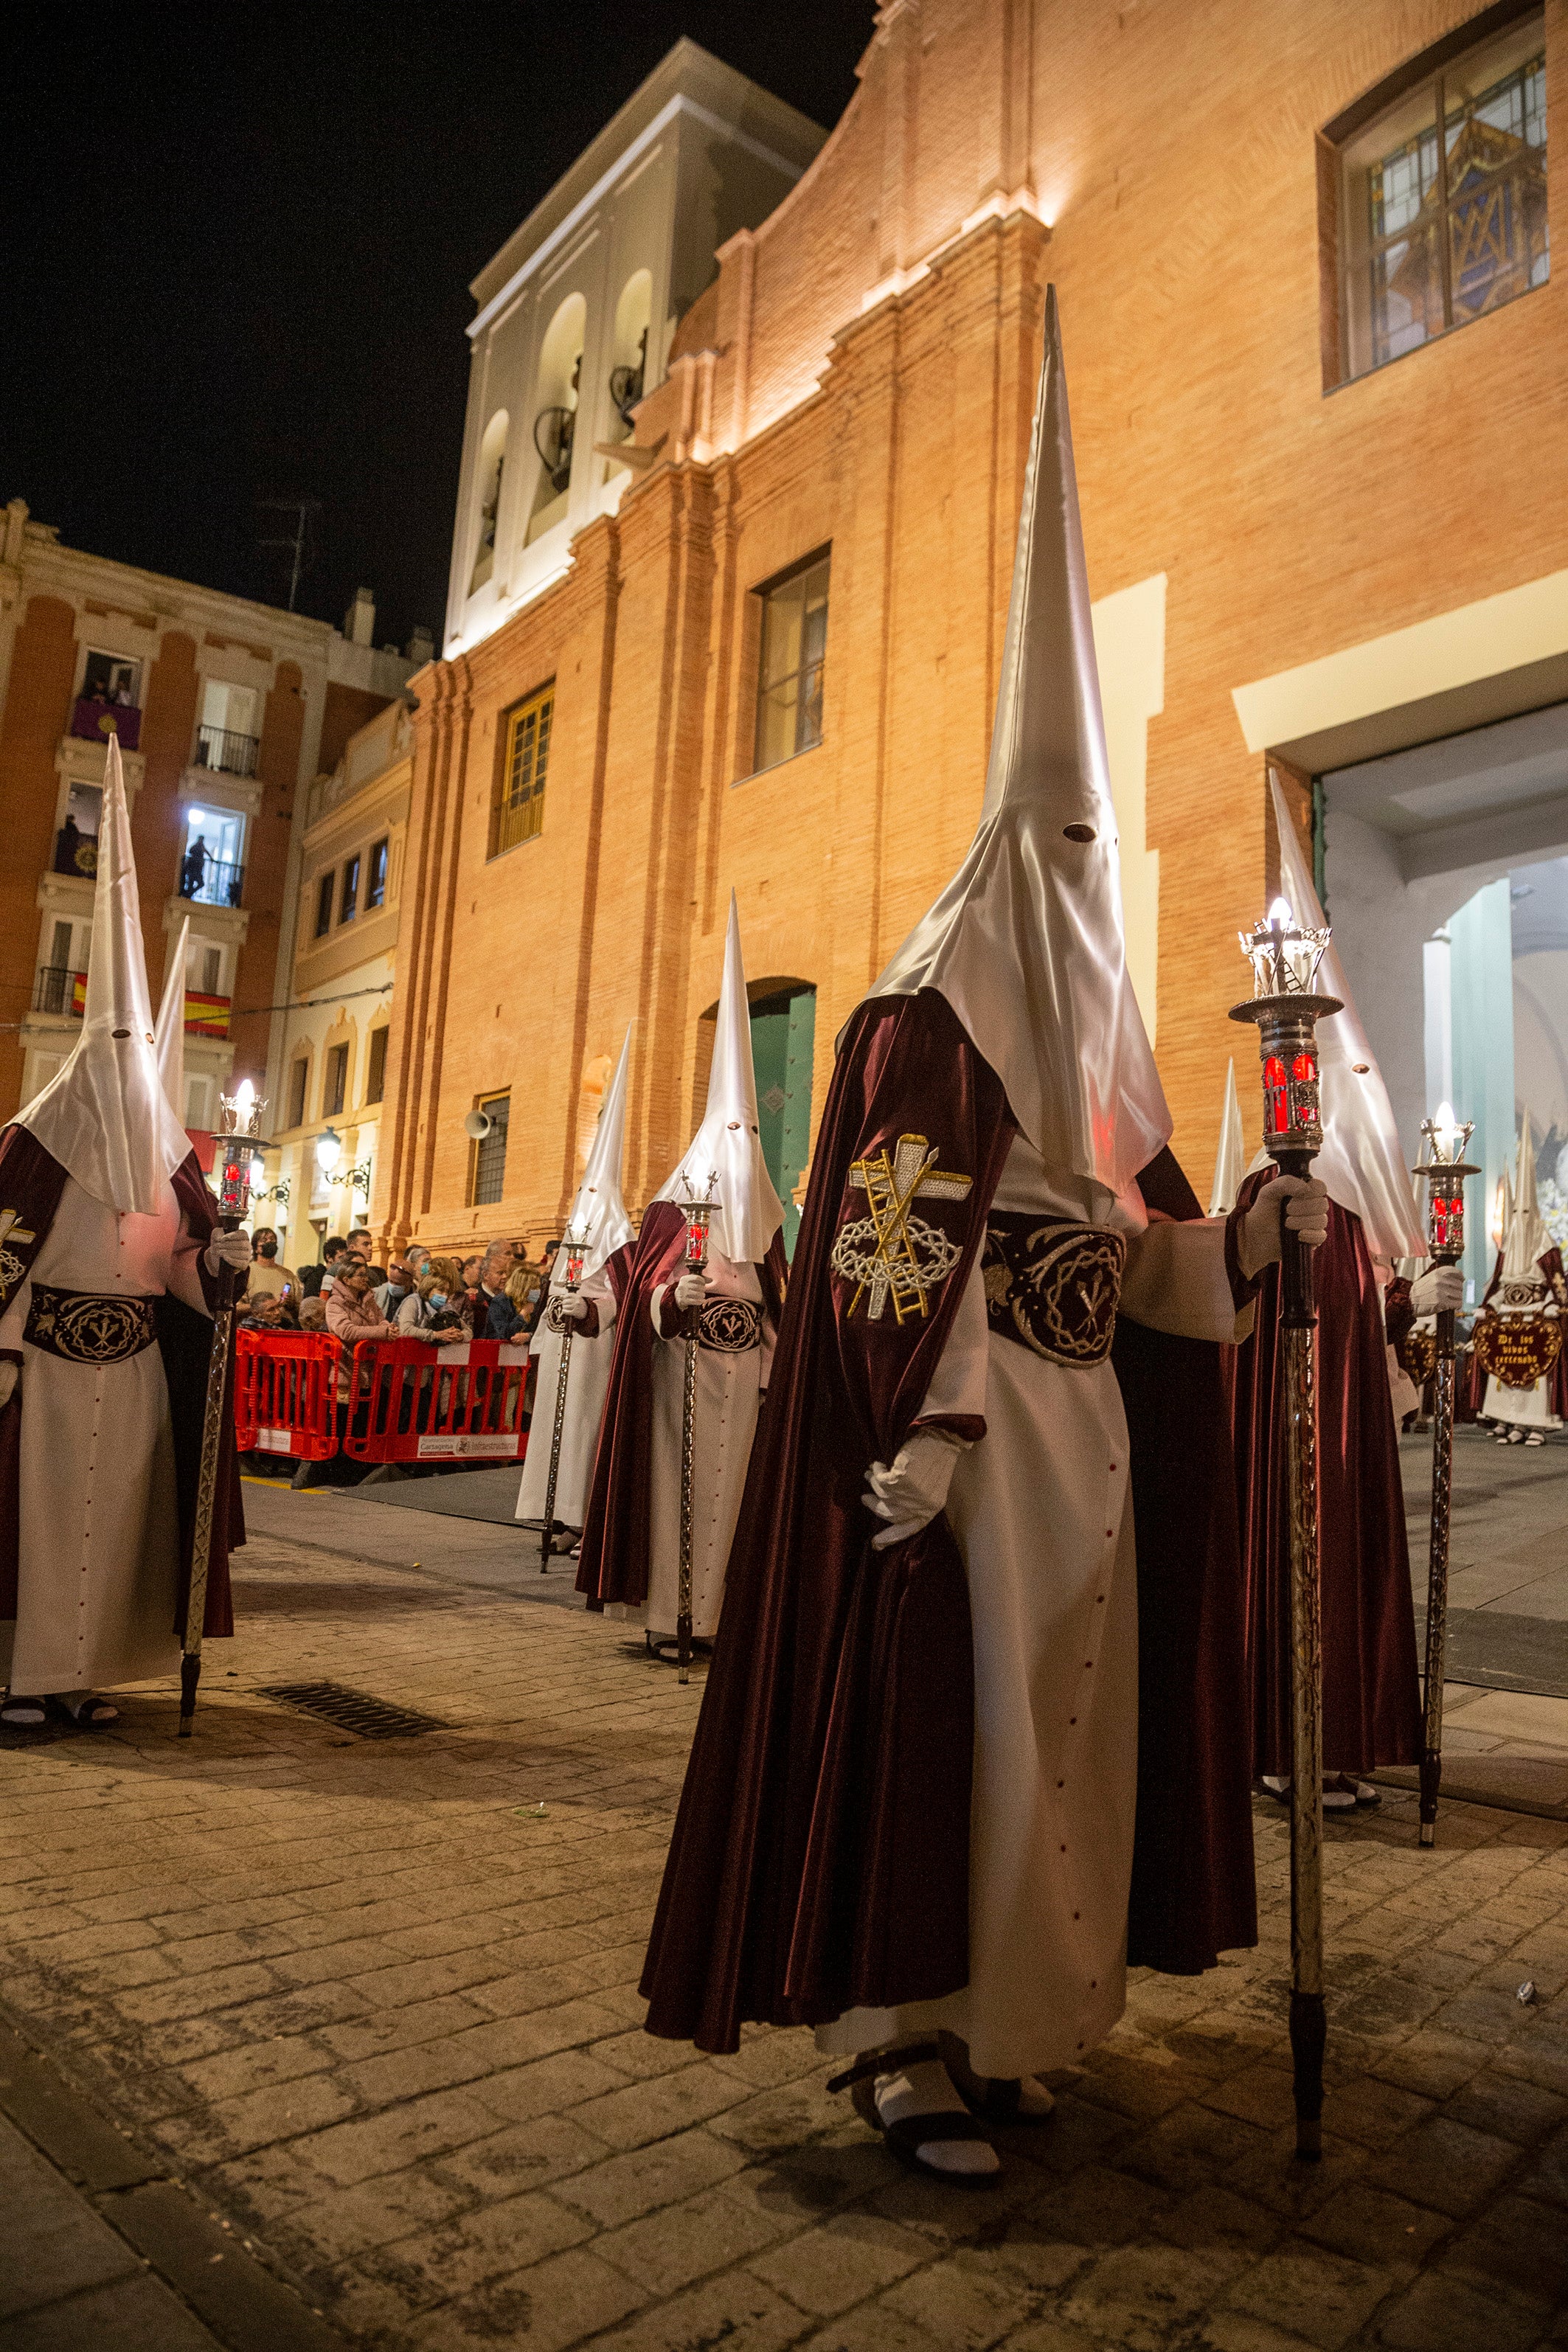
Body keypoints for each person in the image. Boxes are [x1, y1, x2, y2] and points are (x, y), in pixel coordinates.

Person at [637, 296, 1325, 2179]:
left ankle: (1015, 2024)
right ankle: (904, 2043)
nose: (1093, 898)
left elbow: (1132, 1250)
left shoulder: (1086, 1039)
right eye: (1071, 864)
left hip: (1079, 1428)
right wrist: (921, 1430)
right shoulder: (923, 1022)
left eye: (1104, 863)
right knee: (955, 1732)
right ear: (1020, 863)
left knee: (1062, 1738)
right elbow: (886, 1251)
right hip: (963, 1455)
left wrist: (1238, 1248)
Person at [0, 738, 249, 1730]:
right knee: (38, 1526)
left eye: (132, 1052)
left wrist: (215, 1265)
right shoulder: (29, 1143)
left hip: (136, 1362)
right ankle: (17, 1677)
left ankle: (80, 1674)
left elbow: (186, 1261)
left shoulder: (168, 1153)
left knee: (118, 1526)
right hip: (46, 1371)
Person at [1229, 778, 1439, 1814]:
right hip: (1292, 1432)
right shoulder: (1277, 1188)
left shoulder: (1352, 1214)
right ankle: (1284, 1739)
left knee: (1350, 1574)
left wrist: (1419, 1303)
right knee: (1298, 1566)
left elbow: (1375, 1318)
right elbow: (1248, 1301)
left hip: (1351, 1436)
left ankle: (1343, 1741)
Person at [578, 898, 784, 1648]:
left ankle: (726, 1620)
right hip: (679, 1387)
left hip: (745, 1389)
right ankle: (670, 1617)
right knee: (677, 1497)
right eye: (730, 1131)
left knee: (738, 1504)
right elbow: (642, 1304)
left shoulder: (769, 1231)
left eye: (750, 1134)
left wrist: (774, 1367)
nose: (741, 1147)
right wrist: (671, 1298)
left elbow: (779, 1315)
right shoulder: (671, 1214)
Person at [516, 1027, 634, 1548]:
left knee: (587, 1430)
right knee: (556, 1432)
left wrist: (586, 1302)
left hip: (595, 1352)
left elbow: (621, 1292)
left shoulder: (622, 1236)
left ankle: (586, 1519)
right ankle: (556, 1515)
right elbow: (555, 1287)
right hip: (565, 1343)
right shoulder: (574, 1233)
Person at [1477, 1113, 1563, 1444]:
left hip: (1535, 1321)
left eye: (1525, 1213)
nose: (1520, 1219)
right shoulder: (1508, 1248)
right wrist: (1490, 1306)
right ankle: (1506, 1420)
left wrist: (1552, 1306)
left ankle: (1534, 1425)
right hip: (1507, 1322)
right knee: (1503, 1372)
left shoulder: (1546, 1248)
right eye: (1515, 1213)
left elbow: (1557, 1288)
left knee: (1533, 1376)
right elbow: (1500, 1285)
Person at [325, 1259, 400, 1348]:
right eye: (361, 1275)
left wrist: (390, 1329)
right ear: (347, 1280)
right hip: (347, 1358)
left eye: (366, 1275)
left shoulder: (368, 1299)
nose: (366, 1279)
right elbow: (347, 1331)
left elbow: (380, 1320)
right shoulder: (335, 1303)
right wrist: (382, 1331)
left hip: (370, 1356)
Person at [395, 1258, 468, 1345]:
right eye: (440, 1290)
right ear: (429, 1288)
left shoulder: (447, 1307)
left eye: (447, 1292)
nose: (444, 1295)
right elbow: (406, 1330)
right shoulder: (413, 1301)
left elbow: (468, 1331)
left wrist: (460, 1336)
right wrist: (436, 1335)